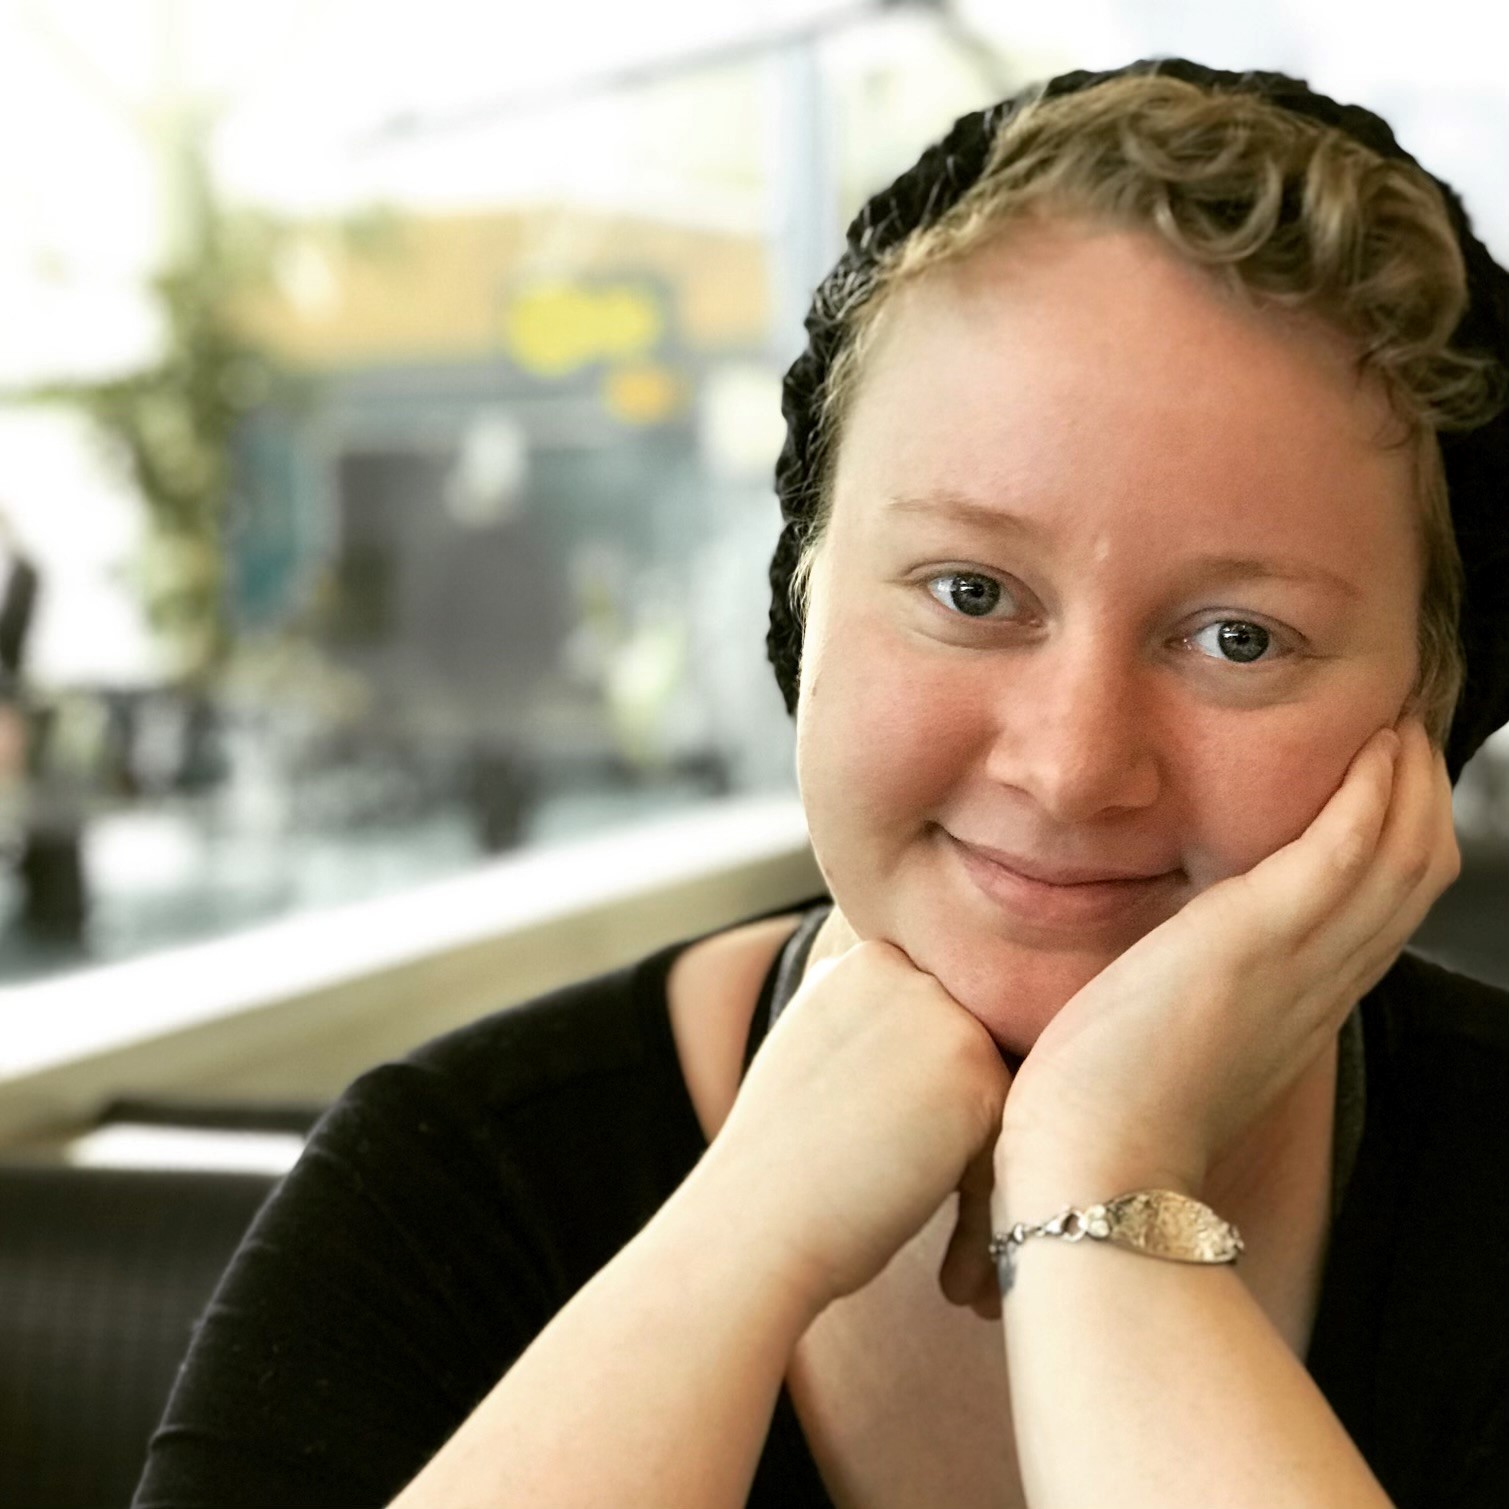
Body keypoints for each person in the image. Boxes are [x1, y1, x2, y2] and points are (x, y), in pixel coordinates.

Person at [133, 58, 1509, 1509]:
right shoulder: (449, 1184)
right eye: (970, 589)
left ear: (1435, 699)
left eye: (1239, 637)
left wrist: (1101, 1192)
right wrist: (739, 1239)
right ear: (799, 605)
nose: (1069, 763)